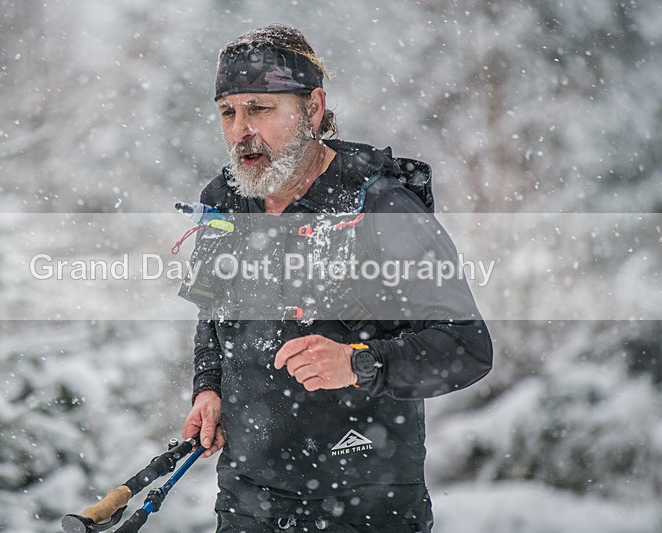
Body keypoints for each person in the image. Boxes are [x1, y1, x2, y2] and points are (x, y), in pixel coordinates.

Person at [181, 23, 493, 533]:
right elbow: (213, 318)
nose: (241, 129)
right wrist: (207, 390)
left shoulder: (380, 206)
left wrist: (359, 363)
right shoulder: (223, 203)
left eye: (260, 108)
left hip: (365, 504)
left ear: (313, 107)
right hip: (248, 502)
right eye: (228, 112)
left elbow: (468, 347)